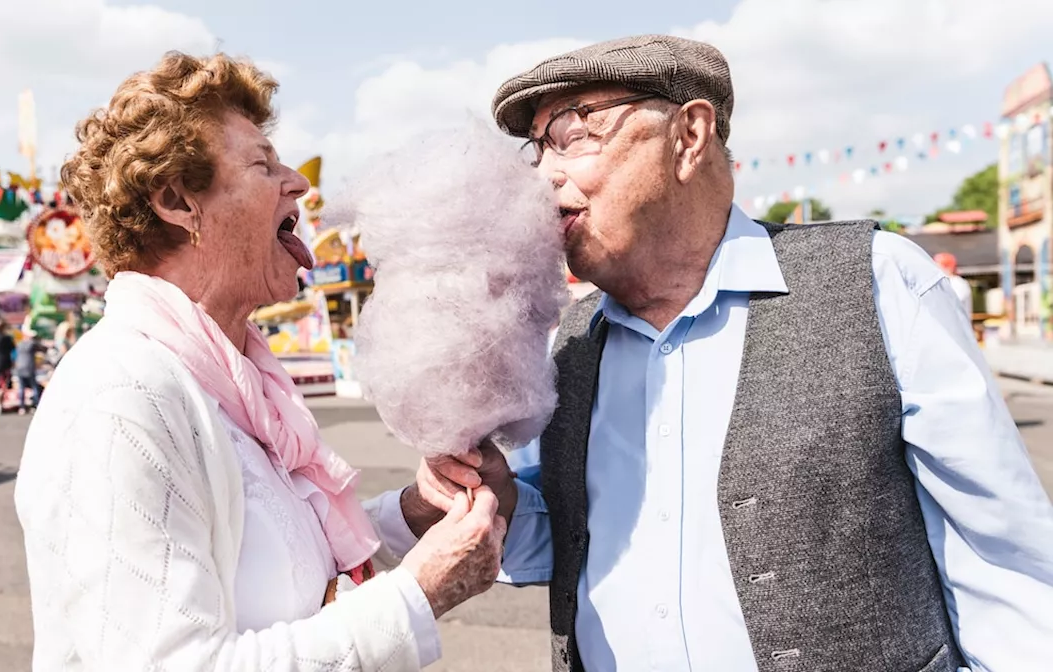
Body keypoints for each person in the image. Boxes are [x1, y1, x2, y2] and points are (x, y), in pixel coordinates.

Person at [410, 35, 1053, 671]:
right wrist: (498, 501)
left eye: (575, 133)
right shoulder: (572, 340)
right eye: (536, 149)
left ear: (689, 134)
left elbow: (1005, 568)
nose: (545, 176)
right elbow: (573, 542)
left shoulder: (878, 280)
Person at [14, 51, 504, 671]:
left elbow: (291, 565)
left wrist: (418, 512)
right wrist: (419, 594)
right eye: (262, 164)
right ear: (178, 201)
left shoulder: (230, 379)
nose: (296, 182)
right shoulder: (121, 398)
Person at [934, 252, 975, 318]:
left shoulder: (958, 283)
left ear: (947, 267)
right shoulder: (944, 282)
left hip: (958, 325)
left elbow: (950, 303)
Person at [13, 328, 41, 415]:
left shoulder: (19, 344)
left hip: (19, 367)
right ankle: (35, 405)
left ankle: (22, 407)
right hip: (29, 367)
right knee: (34, 386)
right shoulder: (32, 344)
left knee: (22, 387)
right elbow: (41, 348)